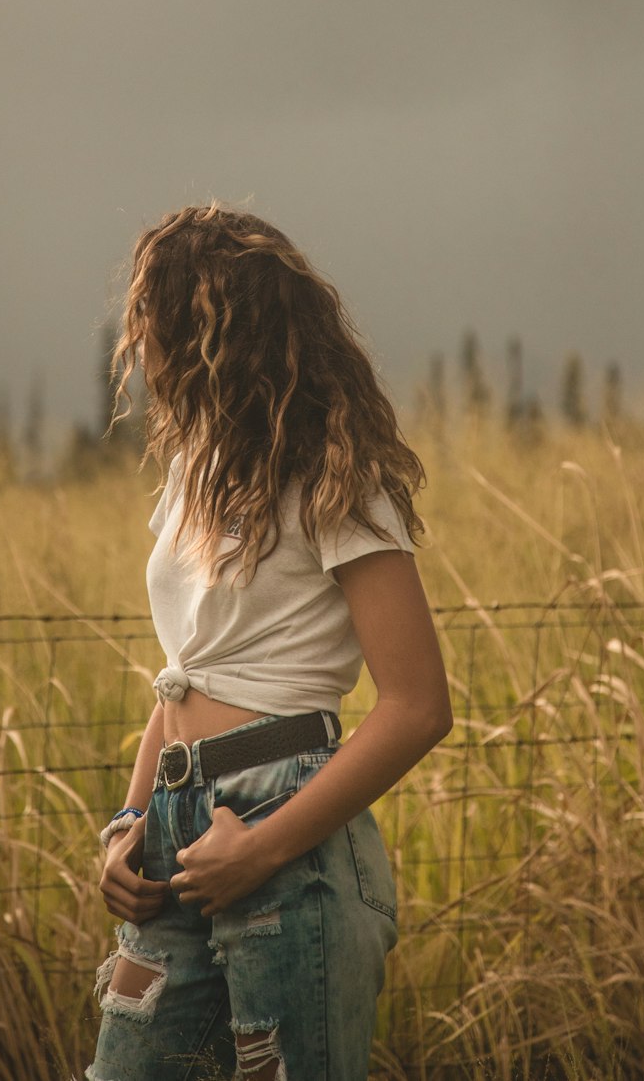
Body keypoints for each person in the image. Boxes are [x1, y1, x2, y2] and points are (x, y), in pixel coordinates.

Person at [86, 203, 453, 1081]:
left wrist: (264, 845)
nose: (141, 342)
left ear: (211, 325)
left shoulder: (336, 470)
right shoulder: (191, 471)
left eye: (155, 317)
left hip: (282, 825)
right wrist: (127, 824)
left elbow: (417, 706)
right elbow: (183, 677)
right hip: (176, 824)